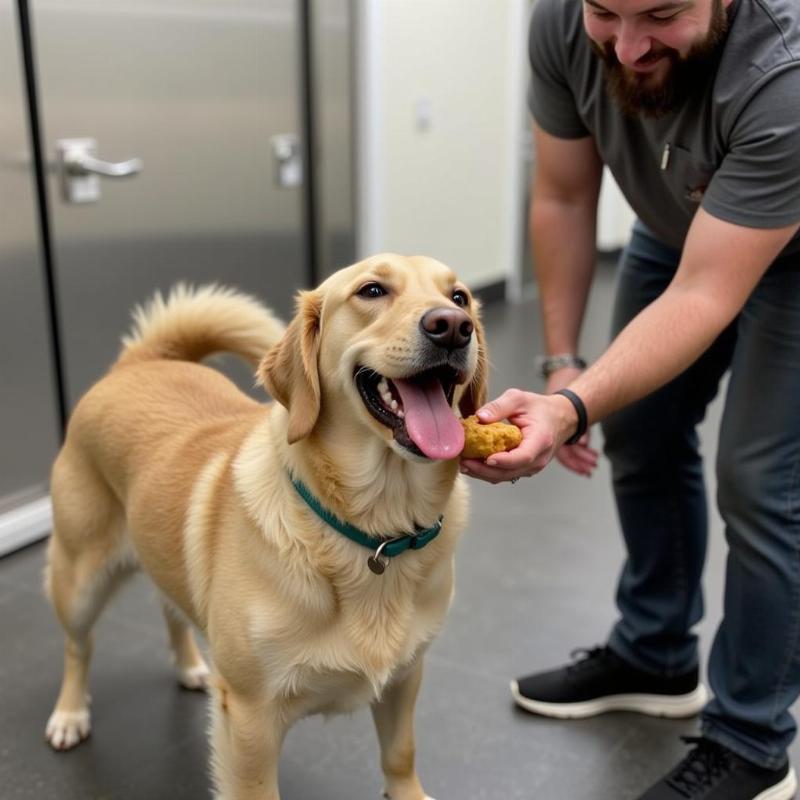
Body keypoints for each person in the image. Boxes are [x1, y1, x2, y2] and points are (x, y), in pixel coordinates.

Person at [460, 0, 800, 798]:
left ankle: (753, 741)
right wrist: (563, 366)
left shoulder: (781, 72)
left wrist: (573, 410)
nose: (631, 45)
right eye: (607, 13)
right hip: (678, 226)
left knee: (760, 484)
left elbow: (707, 296)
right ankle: (656, 654)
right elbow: (564, 197)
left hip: (789, 253)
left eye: (663, 14)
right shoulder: (558, 25)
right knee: (640, 433)